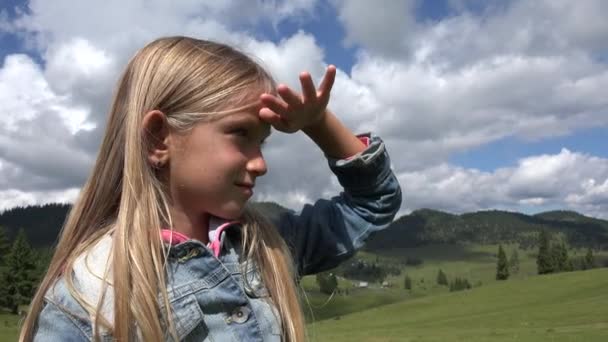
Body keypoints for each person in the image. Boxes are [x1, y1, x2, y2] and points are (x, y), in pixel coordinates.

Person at [20, 36, 402, 341]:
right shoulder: (91, 296)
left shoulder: (266, 247)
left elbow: (373, 201)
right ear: (158, 139)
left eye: (263, 142)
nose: (261, 163)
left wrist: (318, 123)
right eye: (241, 134)